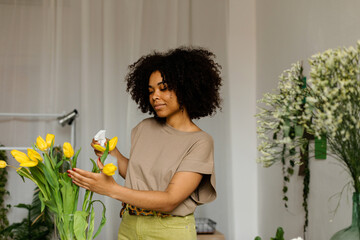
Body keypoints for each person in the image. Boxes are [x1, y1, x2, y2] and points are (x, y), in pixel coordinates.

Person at [68, 47, 223, 240]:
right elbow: (134, 173)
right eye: (151, 91)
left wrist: (111, 190)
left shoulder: (200, 141)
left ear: (185, 89)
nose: (154, 96)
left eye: (163, 88)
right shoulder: (144, 127)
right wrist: (112, 152)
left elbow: (169, 200)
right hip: (129, 224)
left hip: (169, 231)